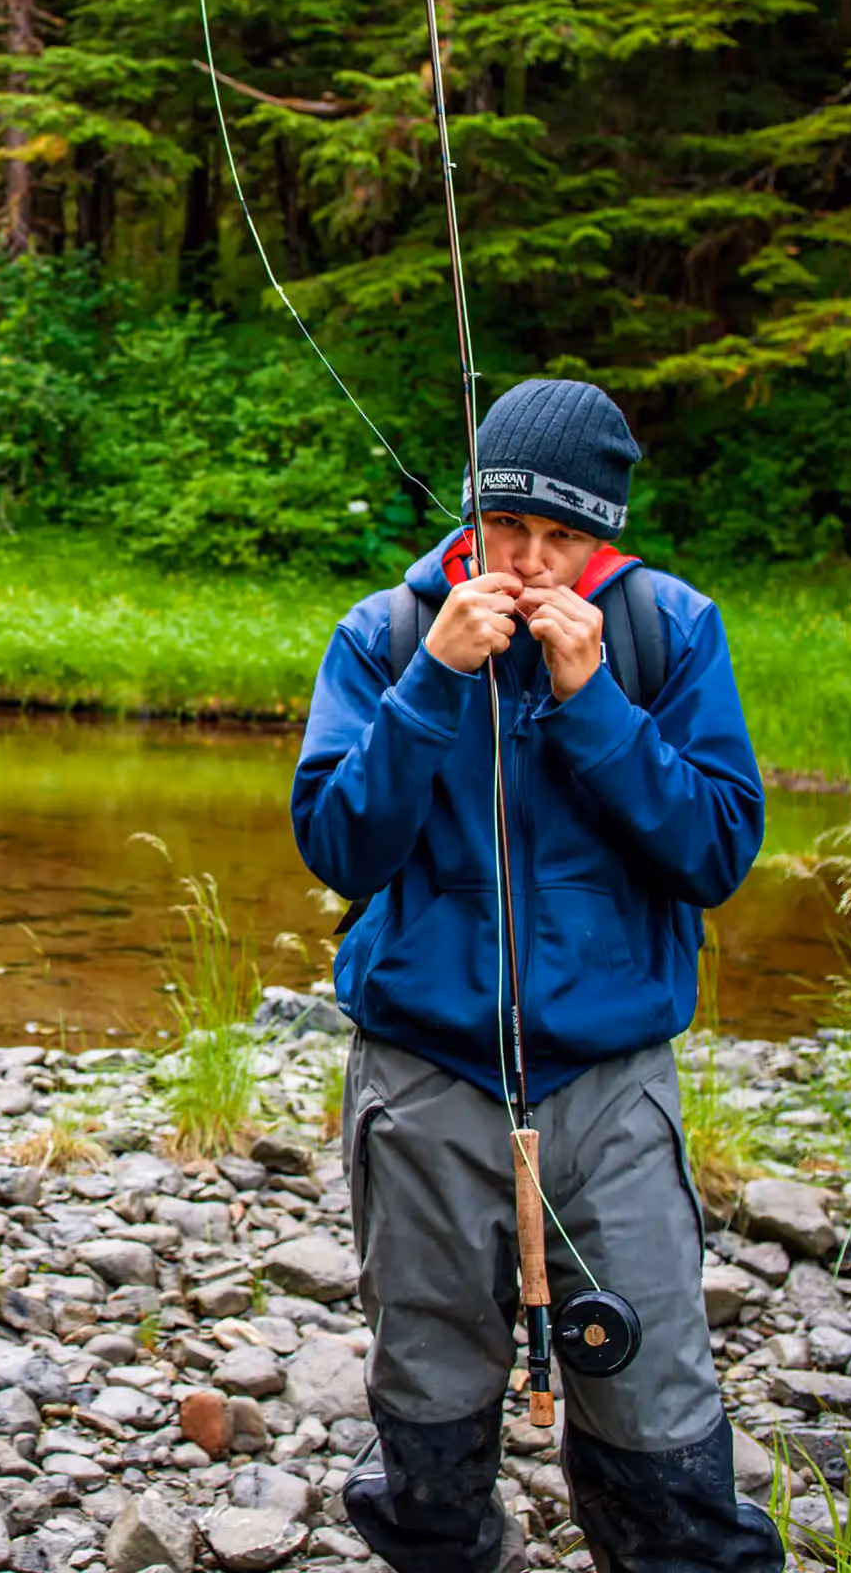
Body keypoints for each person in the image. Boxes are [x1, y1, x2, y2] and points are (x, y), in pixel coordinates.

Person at [291, 378, 783, 1572]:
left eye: (564, 537)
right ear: (474, 512)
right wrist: (435, 687)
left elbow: (715, 851)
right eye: (508, 528)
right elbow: (338, 842)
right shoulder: (388, 636)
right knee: (427, 1402)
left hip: (610, 1080)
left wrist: (593, 701)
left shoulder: (670, 630)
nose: (530, 562)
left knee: (656, 1406)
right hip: (423, 1073)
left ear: (602, 534)